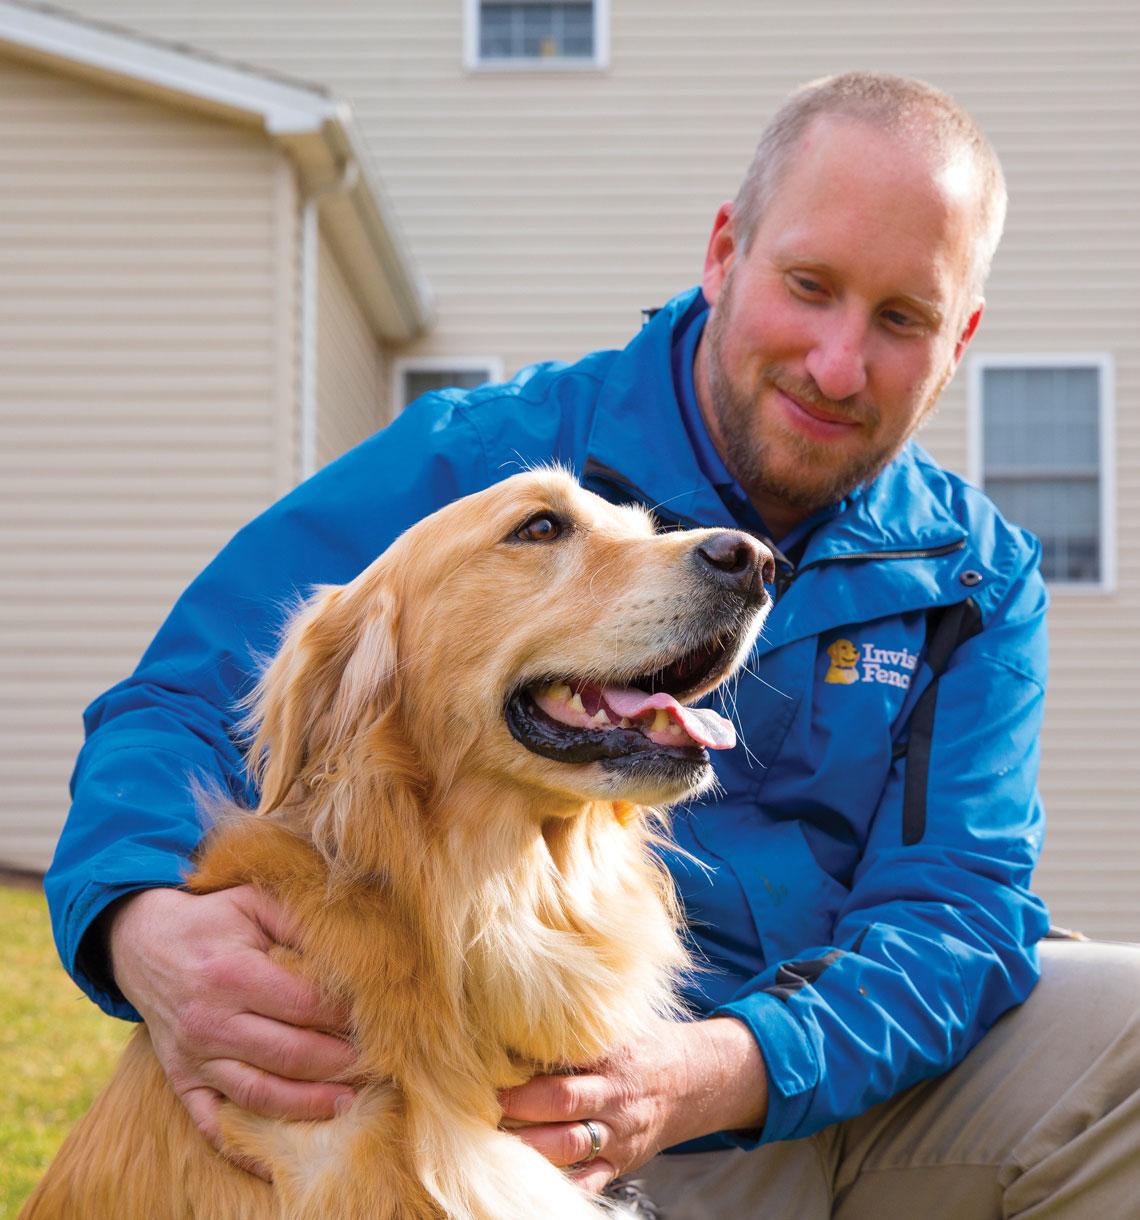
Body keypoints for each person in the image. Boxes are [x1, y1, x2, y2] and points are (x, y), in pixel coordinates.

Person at [47, 72, 1139, 1217]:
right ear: (725, 253)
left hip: (792, 1081)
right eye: (808, 286)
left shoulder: (976, 576)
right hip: (516, 1091)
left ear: (958, 338)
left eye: (902, 318)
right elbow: (184, 701)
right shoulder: (489, 458)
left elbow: (956, 913)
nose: (836, 363)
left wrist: (722, 1069)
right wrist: (142, 924)